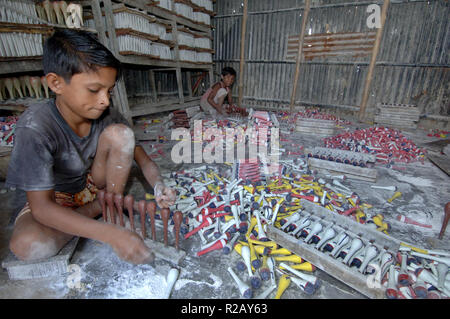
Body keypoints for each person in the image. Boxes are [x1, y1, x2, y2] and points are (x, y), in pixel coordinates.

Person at [5, 29, 176, 265]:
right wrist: (111, 234)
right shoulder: (35, 127)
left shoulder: (106, 114)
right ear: (56, 83)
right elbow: (42, 209)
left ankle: (108, 207)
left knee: (122, 135)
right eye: (94, 90)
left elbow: (143, 159)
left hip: (91, 186)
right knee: (27, 245)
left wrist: (158, 185)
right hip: (55, 199)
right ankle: (101, 210)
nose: (105, 100)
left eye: (109, 91)